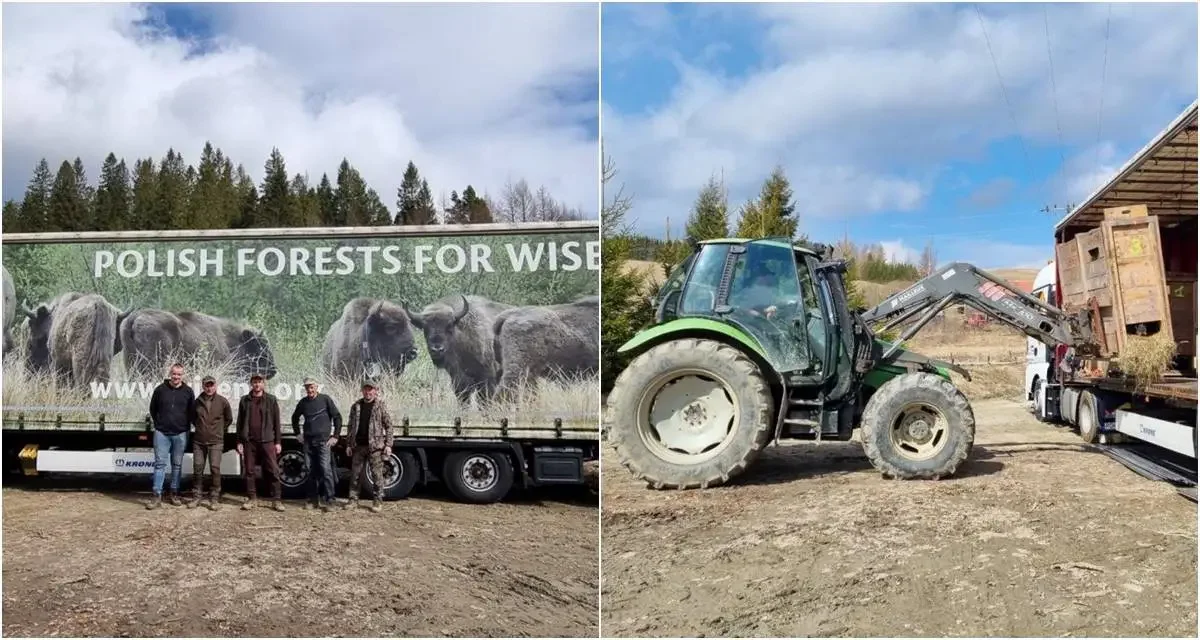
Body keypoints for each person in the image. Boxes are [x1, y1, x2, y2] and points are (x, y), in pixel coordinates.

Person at [146, 363, 195, 510]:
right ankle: (156, 495)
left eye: (179, 374)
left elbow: (191, 412)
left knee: (177, 465)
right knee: (160, 464)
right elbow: (153, 409)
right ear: (170, 374)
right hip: (162, 433)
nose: (176, 377)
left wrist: (184, 426)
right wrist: (160, 423)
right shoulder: (160, 390)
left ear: (183, 375)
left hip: (180, 433)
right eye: (174, 374)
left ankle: (174, 493)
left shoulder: (188, 391)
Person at [291, 377, 343, 511]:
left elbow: (337, 417)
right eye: (307, 387)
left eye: (312, 387)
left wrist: (335, 436)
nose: (310, 389)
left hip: (324, 442)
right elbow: (294, 418)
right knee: (309, 471)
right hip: (308, 442)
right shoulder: (303, 403)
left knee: (326, 471)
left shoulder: (325, 399)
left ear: (317, 387)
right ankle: (312, 500)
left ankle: (330, 500)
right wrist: (298, 434)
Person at [344, 380, 395, 513]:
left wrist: (388, 445)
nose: (368, 392)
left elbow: (389, 426)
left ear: (375, 391)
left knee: (377, 475)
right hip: (358, 446)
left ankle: (377, 501)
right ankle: (353, 500)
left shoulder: (380, 406)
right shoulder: (356, 406)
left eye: (370, 389)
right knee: (355, 475)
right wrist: (349, 444)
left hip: (375, 447)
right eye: (365, 389)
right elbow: (350, 426)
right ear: (362, 391)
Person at [236, 373, 285, 511]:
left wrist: (278, 442)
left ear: (264, 384)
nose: (257, 384)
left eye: (259, 382)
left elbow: (277, 422)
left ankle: (277, 500)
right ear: (251, 384)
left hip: (267, 441)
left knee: (273, 470)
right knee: (249, 471)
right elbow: (240, 422)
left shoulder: (271, 400)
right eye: (255, 382)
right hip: (249, 441)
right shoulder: (244, 400)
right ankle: (252, 499)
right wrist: (239, 441)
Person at [189, 375, 233, 510]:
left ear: (216, 386)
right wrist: (202, 429)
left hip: (216, 441)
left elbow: (228, 419)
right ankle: (197, 497)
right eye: (207, 385)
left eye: (211, 385)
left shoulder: (223, 402)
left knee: (215, 468)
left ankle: (214, 498)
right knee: (198, 468)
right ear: (203, 386)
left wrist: (218, 430)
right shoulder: (197, 402)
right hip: (199, 442)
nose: (209, 388)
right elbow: (192, 418)